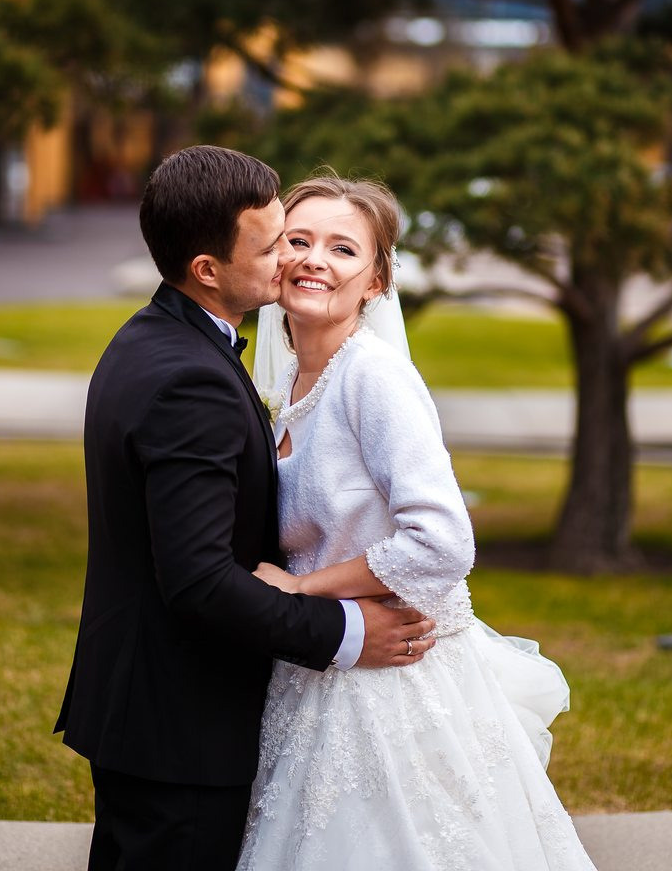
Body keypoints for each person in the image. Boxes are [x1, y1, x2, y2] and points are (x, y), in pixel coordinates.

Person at [54, 147, 436, 871]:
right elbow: (199, 582)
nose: (290, 261)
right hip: (180, 722)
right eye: (273, 247)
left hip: (150, 708)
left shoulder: (151, 338)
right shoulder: (190, 381)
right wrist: (348, 632)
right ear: (207, 268)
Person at [238, 174, 597, 871]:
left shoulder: (372, 379)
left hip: (390, 683)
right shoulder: (283, 383)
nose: (314, 259)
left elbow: (441, 542)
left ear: (375, 282)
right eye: (298, 240)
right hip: (319, 666)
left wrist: (302, 590)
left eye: (343, 249)